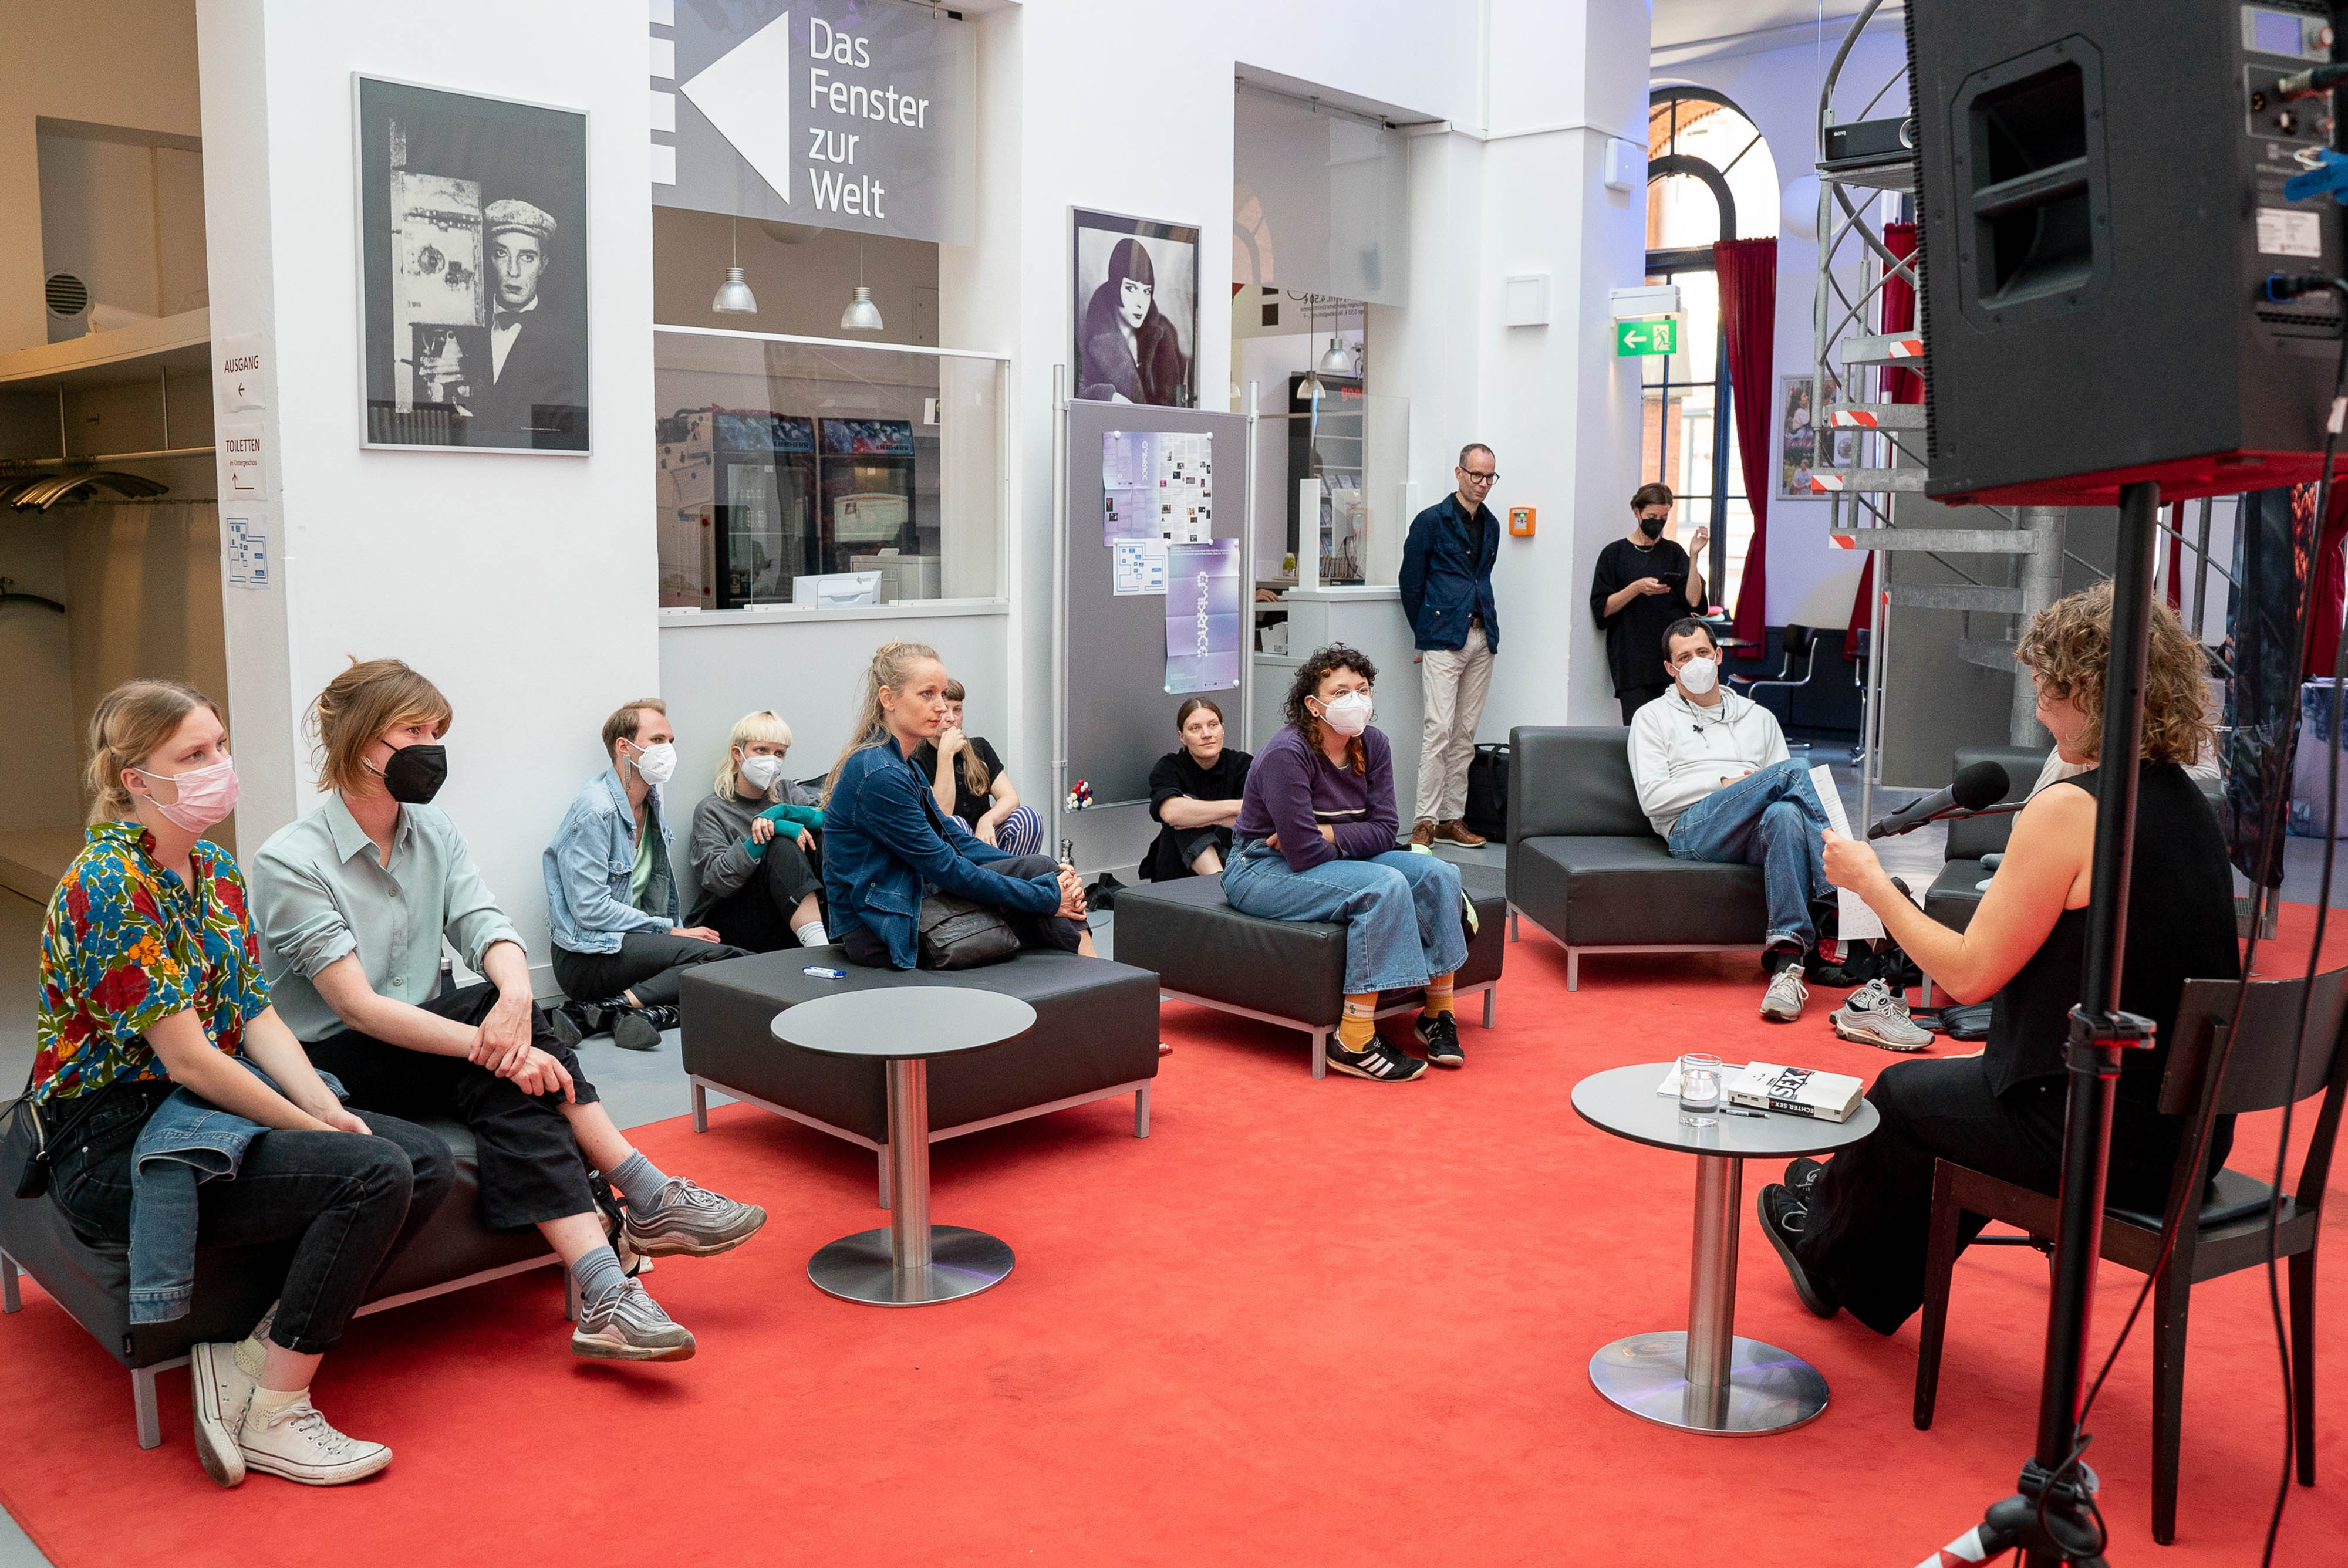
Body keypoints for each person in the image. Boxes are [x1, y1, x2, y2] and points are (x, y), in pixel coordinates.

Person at [1757, 583, 2241, 1336]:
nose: (2039, 709)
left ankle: (1825, 1251)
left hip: (2097, 1130)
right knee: (1951, 1096)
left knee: (1901, 1096)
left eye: (2047, 690)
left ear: (2089, 692)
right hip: (2189, 1134)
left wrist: (1871, 884)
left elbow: (1965, 975)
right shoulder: (2188, 800)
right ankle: (1844, 1227)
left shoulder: (2072, 808)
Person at [251, 659, 766, 1366]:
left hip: (417, 1041)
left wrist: (520, 999)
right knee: (502, 1042)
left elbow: (486, 924)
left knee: (511, 1053)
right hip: (333, 1058)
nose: (432, 746)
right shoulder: (290, 859)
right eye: (413, 730)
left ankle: (605, 1291)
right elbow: (359, 1007)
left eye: (436, 730)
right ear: (361, 740)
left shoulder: (432, 829)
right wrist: (494, 1038)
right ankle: (645, 1192)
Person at [34, 680, 457, 1487]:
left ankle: (251, 1360)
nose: (219, 765)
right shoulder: (108, 885)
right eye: (193, 754)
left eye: (220, 746)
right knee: (372, 1171)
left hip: (200, 1102)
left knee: (422, 1159)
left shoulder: (216, 869)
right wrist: (310, 1130)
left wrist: (325, 1106)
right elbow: (191, 1058)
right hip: (114, 1137)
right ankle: (276, 1416)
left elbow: (255, 1013)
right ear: (134, 778)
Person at [1625, 619, 1920, 1041]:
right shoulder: (1652, 718)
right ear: (1671, 669)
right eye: (1684, 658)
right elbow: (1653, 799)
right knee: (1793, 772)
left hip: (1755, 829)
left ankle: (1787, 964)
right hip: (1691, 830)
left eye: (1703, 653)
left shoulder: (1758, 717)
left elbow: (1795, 804)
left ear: (1718, 656)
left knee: (1784, 814)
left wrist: (1753, 788)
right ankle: (1852, 896)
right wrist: (1723, 783)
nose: (1696, 663)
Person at [1222, 646, 1470, 1083]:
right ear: (1313, 704)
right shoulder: (1287, 753)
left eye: (1362, 689)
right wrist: (1335, 839)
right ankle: (1353, 1041)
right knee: (1384, 885)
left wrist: (1328, 833)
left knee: (1440, 874)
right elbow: (1302, 853)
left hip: (1326, 855)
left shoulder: (1375, 744)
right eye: (1340, 692)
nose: (1355, 699)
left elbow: (1387, 830)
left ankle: (1436, 1014)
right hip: (1260, 866)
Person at [823, 641, 1096, 968]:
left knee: (1042, 869)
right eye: (927, 694)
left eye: (942, 694)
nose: (941, 708)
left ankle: (1095, 978)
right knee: (1044, 884)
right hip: (882, 926)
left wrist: (1045, 883)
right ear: (888, 699)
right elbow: (945, 866)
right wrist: (1048, 896)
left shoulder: (901, 763)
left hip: (909, 899)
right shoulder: (880, 774)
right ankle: (1097, 979)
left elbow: (955, 840)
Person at [544, 698, 754, 1050]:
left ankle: (618, 1013)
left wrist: (676, 939)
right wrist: (671, 932)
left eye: (670, 741)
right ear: (624, 748)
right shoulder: (596, 810)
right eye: (657, 740)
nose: (668, 750)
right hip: (588, 956)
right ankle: (616, 1008)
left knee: (725, 969)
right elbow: (590, 909)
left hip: (629, 948)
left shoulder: (649, 802)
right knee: (727, 960)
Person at [1398, 443, 1503, 850]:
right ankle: (1424, 820)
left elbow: (1481, 577)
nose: (1483, 484)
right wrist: (1425, 634)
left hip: (1482, 634)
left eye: (1490, 477)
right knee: (1438, 730)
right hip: (1443, 637)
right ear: (1459, 473)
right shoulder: (1431, 521)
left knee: (1465, 733)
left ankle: (1451, 818)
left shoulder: (1491, 525)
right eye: (1476, 475)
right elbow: (1411, 583)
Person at [685, 709, 829, 952]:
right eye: (761, 750)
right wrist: (774, 830)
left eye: (779, 753)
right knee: (780, 844)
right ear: (738, 754)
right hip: (735, 919)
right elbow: (718, 881)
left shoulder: (787, 792)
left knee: (824, 838)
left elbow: (831, 821)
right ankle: (820, 951)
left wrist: (783, 812)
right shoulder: (712, 810)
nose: (771, 760)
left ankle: (844, 939)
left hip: (784, 916)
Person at [467, 198, 586, 448]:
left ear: (543, 264)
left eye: (527, 257)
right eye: (502, 254)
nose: (513, 271)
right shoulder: (464, 329)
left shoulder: (567, 342)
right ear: (489, 258)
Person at [1591, 482, 1709, 723]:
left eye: (1664, 518)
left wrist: (1694, 557)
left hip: (1675, 661)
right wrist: (1636, 588)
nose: (1658, 523)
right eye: (1652, 517)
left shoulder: (1674, 552)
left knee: (1681, 727)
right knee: (1640, 730)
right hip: (1633, 662)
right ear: (1637, 512)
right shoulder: (1614, 554)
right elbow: (1603, 609)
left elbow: (1694, 601)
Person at [909, 679, 1041, 854]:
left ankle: (1011, 871)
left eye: (957, 710)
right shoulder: (916, 760)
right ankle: (983, 873)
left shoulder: (979, 748)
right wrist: (946, 754)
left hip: (986, 839)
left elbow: (1010, 798)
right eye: (944, 710)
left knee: (1028, 817)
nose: (951, 718)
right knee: (956, 824)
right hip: (949, 850)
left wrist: (987, 820)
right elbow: (941, 816)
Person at [1143, 698, 1252, 880]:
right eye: (1195, 728)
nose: (1207, 734)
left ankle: (1218, 883)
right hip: (1178, 871)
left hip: (1233, 860)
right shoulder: (1169, 766)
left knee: (1189, 816)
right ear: (1182, 737)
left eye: (1213, 725)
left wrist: (1201, 816)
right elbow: (1172, 813)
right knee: (1183, 821)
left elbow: (1257, 817)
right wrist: (1236, 807)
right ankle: (1217, 883)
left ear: (1223, 729)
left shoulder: (1243, 764)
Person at [1078, 236, 1186, 405]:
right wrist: (1109, 397)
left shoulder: (1166, 333)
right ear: (1115, 286)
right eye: (1131, 288)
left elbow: (1181, 402)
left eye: (1146, 291)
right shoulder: (1089, 333)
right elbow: (1076, 395)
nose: (1140, 303)